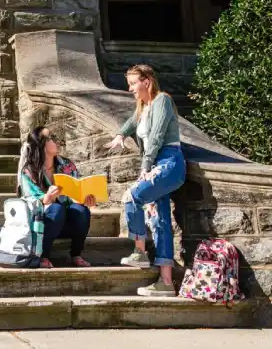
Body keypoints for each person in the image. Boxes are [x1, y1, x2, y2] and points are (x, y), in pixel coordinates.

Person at [110, 63, 185, 297]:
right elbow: (131, 124)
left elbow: (156, 137)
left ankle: (140, 252)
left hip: (168, 162)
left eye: (133, 83)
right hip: (157, 164)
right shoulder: (143, 107)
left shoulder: (162, 100)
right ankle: (166, 282)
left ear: (147, 81)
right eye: (129, 84)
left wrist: (146, 166)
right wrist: (121, 135)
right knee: (161, 221)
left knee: (131, 197)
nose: (131, 88)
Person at [17, 126, 95, 269]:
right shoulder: (29, 170)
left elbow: (75, 191)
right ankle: (43, 255)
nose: (56, 141)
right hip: (43, 224)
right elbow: (29, 199)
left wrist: (82, 199)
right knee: (56, 209)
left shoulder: (67, 165)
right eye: (51, 138)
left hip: (66, 223)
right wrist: (45, 199)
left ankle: (76, 254)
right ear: (40, 144)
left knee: (81, 210)